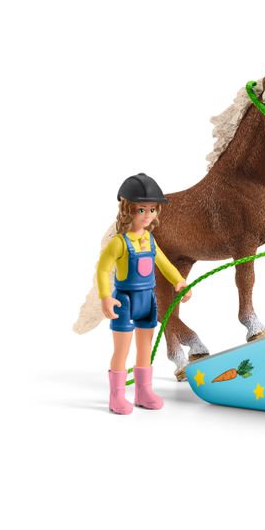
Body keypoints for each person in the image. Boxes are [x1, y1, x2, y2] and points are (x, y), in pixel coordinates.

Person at [96, 173, 191, 413]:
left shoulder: (149, 239)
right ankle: (116, 396)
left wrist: (179, 281)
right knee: (122, 349)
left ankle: (143, 391)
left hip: (148, 300)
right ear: (128, 210)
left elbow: (164, 263)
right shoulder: (119, 243)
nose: (148, 215)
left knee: (145, 348)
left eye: (152, 209)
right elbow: (103, 269)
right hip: (125, 301)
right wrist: (106, 297)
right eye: (141, 210)